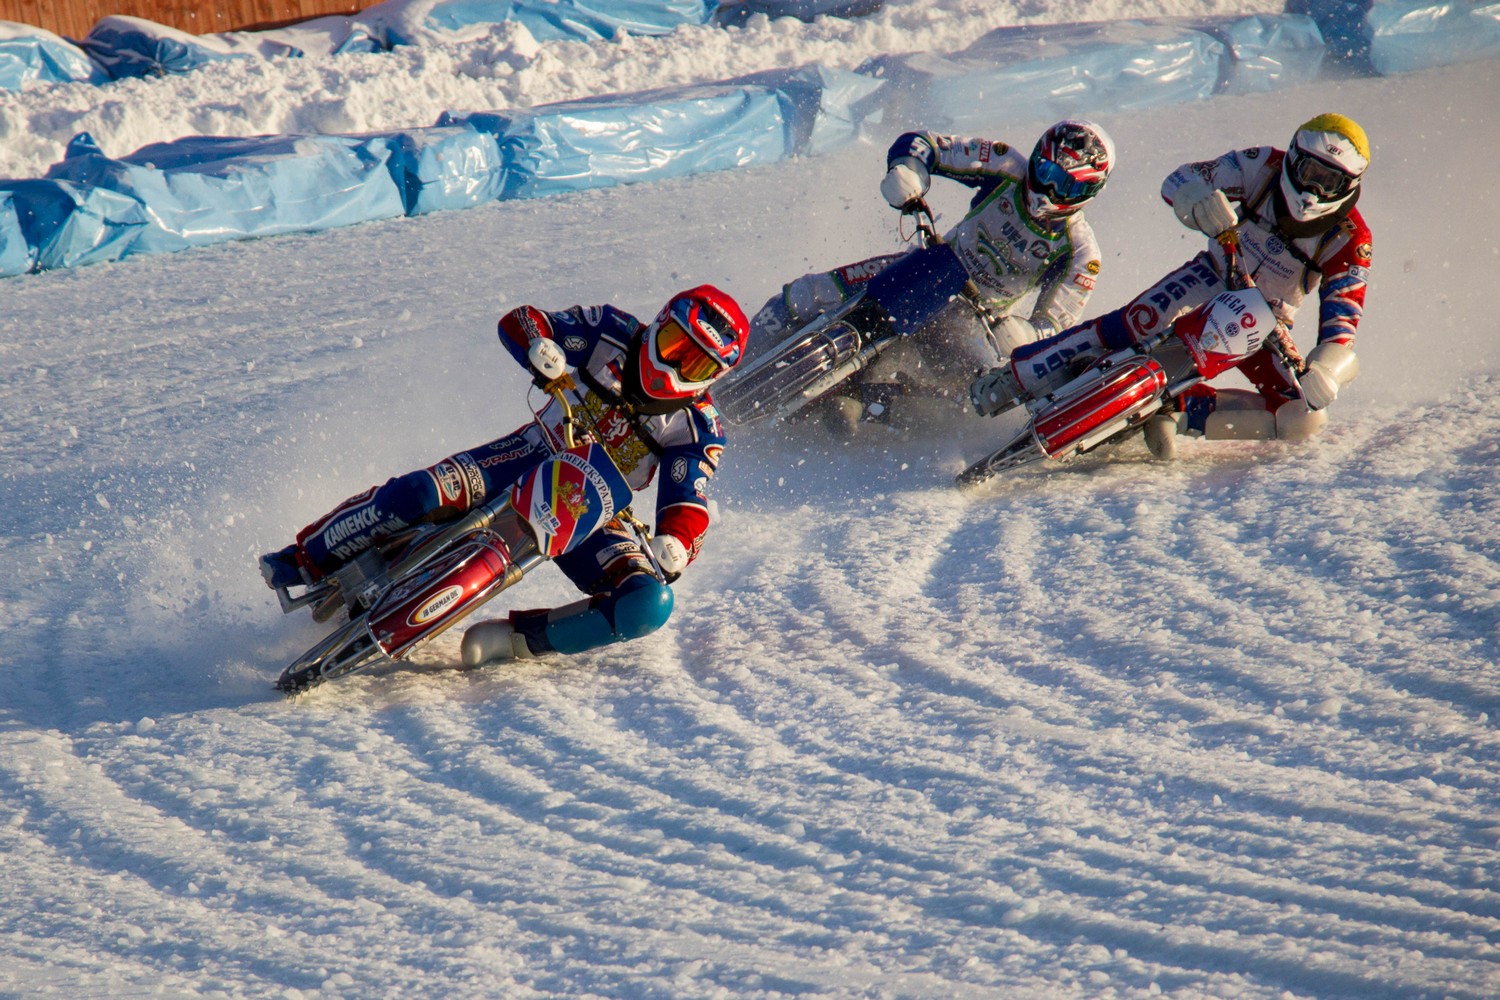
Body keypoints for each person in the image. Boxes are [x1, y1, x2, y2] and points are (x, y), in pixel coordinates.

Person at [259, 285, 750, 666]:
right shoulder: (611, 331)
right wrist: (539, 345)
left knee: (648, 604)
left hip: (594, 509)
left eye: (694, 362)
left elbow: (689, 498)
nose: (673, 364)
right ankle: (306, 559)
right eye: (671, 344)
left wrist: (678, 542)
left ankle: (519, 641)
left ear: (714, 375)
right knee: (418, 493)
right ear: (659, 323)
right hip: (526, 453)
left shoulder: (698, 427)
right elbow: (523, 319)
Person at [970, 113, 1373, 459]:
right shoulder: (1261, 165)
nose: (1313, 191)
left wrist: (1328, 372)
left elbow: (1343, 323)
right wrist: (1197, 199)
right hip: (1213, 275)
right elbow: (1182, 178)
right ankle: (1015, 377)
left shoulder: (1351, 239)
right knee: (1134, 323)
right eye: (1309, 173)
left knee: (1301, 419)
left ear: (1350, 186)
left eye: (1329, 182)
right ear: (1292, 159)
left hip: (1264, 322)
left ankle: (1176, 412)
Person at [748, 119, 1114, 434]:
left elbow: (1054, 325)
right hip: (929, 264)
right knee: (812, 291)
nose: (1048, 190)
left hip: (977, 317)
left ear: (1090, 191)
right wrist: (908, 170)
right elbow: (925, 144)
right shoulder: (1005, 164)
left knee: (975, 399)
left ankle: (870, 400)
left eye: (1067, 186)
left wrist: (1026, 333)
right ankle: (746, 350)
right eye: (1046, 172)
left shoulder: (1080, 252)